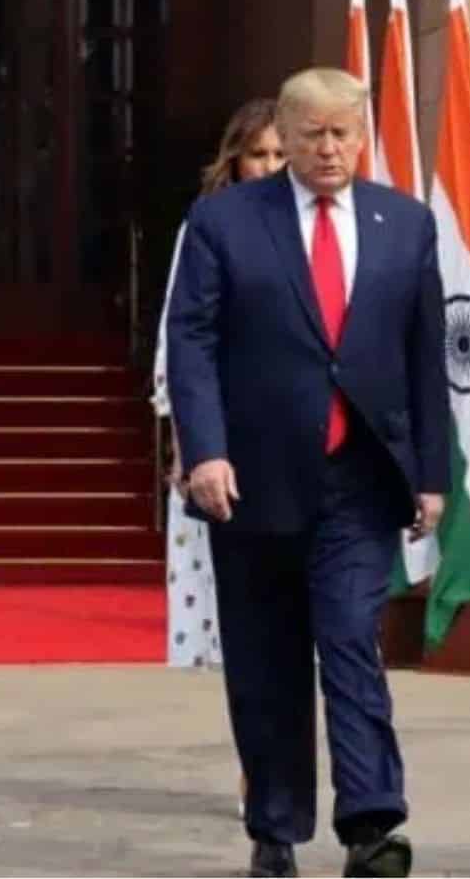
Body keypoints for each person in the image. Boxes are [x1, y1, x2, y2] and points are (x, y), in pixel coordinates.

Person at [166, 67, 450, 879]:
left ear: (364, 136)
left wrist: (429, 472)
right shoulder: (224, 221)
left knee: (351, 639)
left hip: (359, 476)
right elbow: (193, 342)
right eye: (314, 134)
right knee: (268, 659)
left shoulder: (406, 224)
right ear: (282, 137)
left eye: (344, 133)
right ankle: (276, 827)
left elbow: (423, 355)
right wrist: (206, 449)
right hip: (251, 479)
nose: (330, 149)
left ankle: (371, 823)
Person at [151, 98, 284, 671]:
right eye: (258, 154)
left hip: (294, 427)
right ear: (235, 160)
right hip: (221, 428)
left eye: (281, 153)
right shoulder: (207, 227)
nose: (271, 165)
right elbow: (179, 342)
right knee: (228, 596)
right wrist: (188, 443)